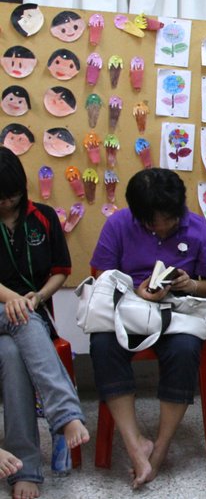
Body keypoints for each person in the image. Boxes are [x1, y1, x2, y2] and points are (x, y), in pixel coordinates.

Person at [90, 168, 206, 488]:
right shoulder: (119, 224)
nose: (162, 228)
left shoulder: (198, 229)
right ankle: (135, 444)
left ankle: (160, 448)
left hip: (175, 312)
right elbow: (100, 276)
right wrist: (135, 290)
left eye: (170, 221)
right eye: (153, 223)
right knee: (103, 344)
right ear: (138, 215)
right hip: (129, 309)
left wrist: (190, 284)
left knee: (185, 348)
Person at [0, 147, 90, 498]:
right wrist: (15, 300)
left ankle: (26, 470)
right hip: (15, 311)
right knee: (23, 318)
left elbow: (61, 271)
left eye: (11, 196)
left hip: (28, 315)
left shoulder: (44, 216)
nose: (6, 203)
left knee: (11, 353)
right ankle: (65, 413)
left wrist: (36, 297)